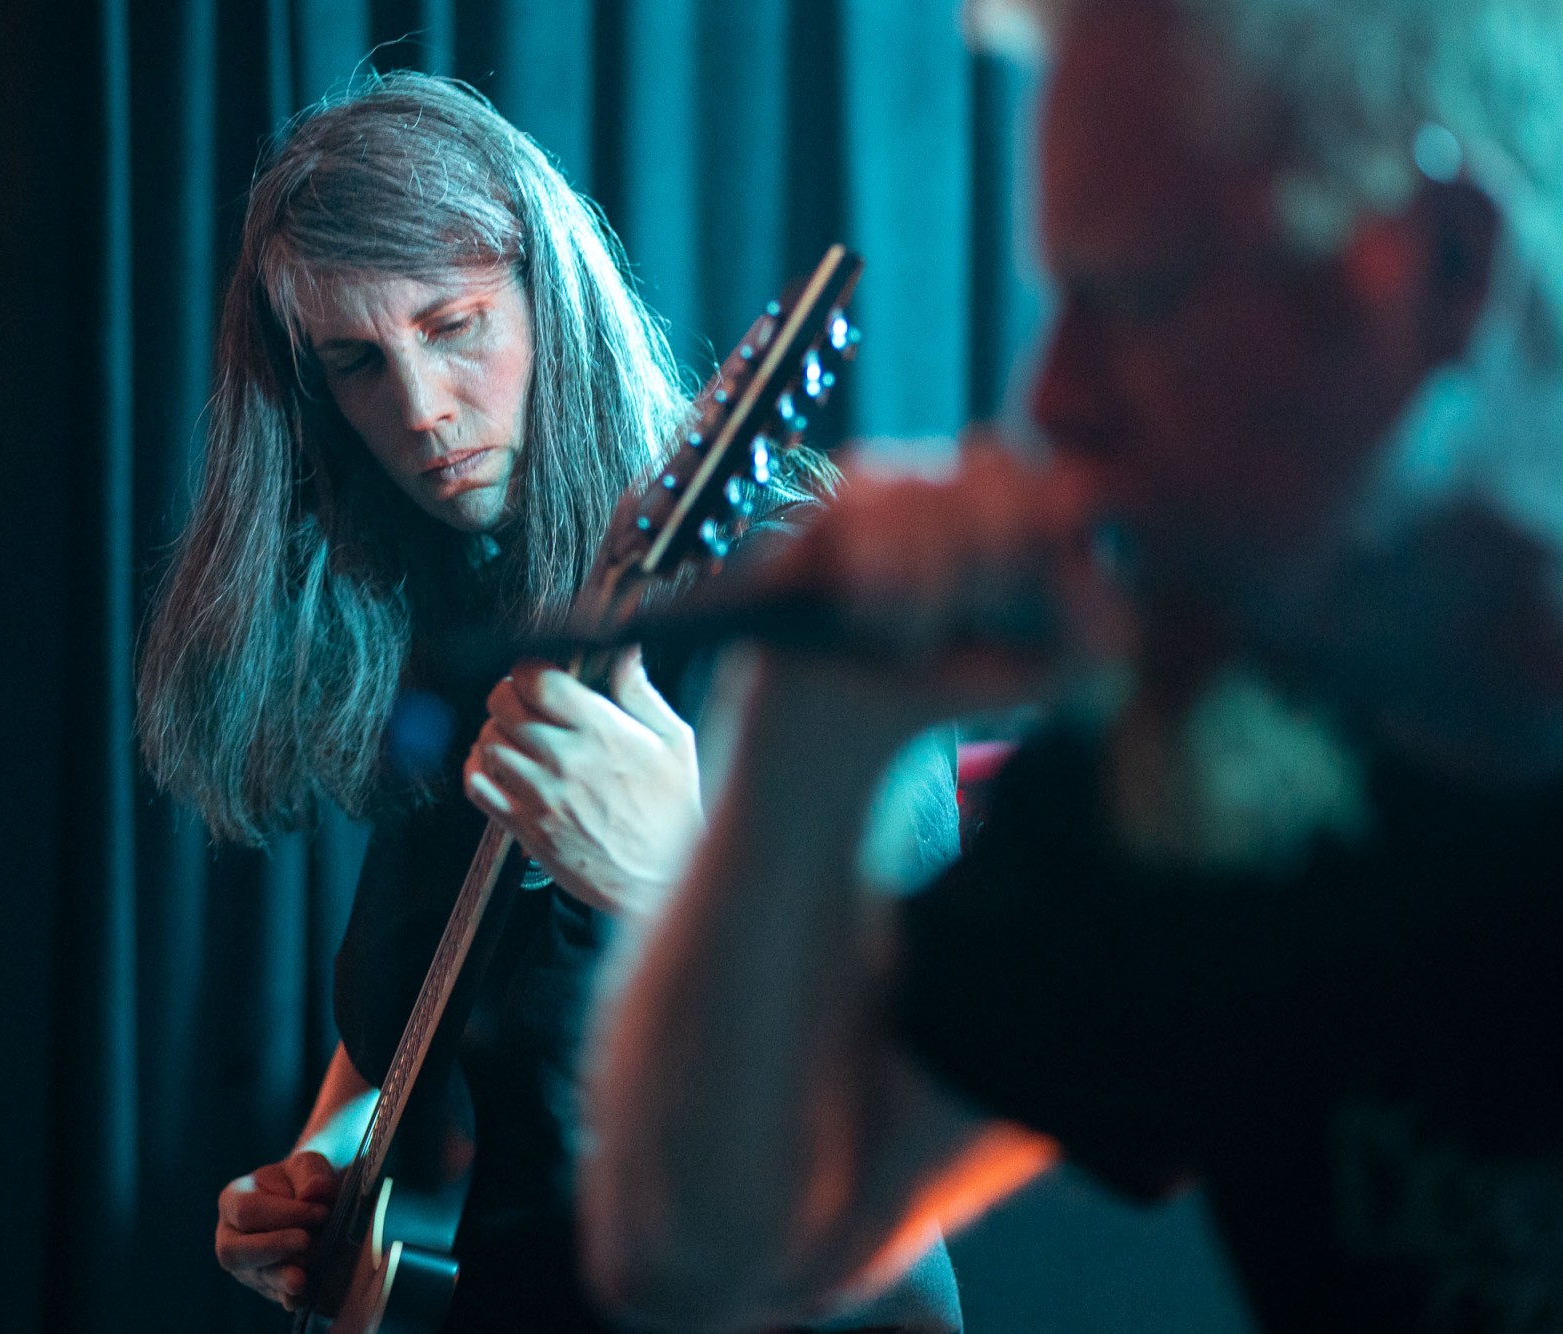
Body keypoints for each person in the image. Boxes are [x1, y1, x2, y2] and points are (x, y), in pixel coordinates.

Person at [582, 1, 1563, 1331]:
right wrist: (814, 740)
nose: (1051, 400)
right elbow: (704, 1252)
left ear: (1443, 263)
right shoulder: (1214, 740)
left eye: (1137, 295)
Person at [136, 73, 962, 1332]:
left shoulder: (806, 602)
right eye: (357, 363)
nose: (420, 410)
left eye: (454, 324)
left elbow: (941, 1046)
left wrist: (673, 877)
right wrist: (320, 1173)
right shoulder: (463, 635)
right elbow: (414, 1010)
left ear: (551, 296)